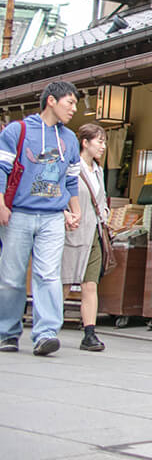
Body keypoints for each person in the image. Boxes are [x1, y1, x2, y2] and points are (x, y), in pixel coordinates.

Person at [0, 81, 82, 356]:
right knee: (11, 277)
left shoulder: (69, 139)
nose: (74, 108)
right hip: (19, 213)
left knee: (48, 275)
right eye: (69, 102)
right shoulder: (18, 130)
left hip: (52, 217)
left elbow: (71, 179)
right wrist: (1, 204)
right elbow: (1, 168)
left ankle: (45, 333)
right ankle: (7, 332)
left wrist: (75, 209)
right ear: (51, 100)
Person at [62, 123, 110, 352]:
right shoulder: (72, 167)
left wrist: (106, 215)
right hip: (72, 230)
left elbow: (101, 200)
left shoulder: (99, 170)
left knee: (90, 284)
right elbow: (61, 195)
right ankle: (49, 327)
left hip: (94, 232)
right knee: (64, 281)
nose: (103, 146)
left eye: (104, 141)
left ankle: (89, 332)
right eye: (99, 141)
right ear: (85, 142)